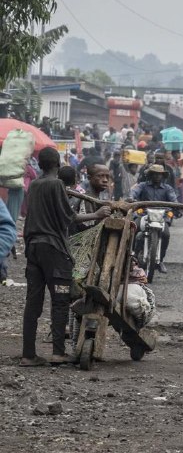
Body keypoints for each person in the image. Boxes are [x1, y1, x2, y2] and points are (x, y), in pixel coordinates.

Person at [21, 147, 111, 366]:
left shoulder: (34, 185)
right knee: (60, 301)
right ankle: (58, 352)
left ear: (40, 165)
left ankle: (28, 355)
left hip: (33, 248)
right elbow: (68, 217)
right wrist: (97, 214)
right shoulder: (57, 185)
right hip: (53, 249)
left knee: (32, 303)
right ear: (58, 164)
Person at [129, 165, 181, 273]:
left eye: (159, 174)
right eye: (155, 174)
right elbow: (134, 192)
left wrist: (177, 207)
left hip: (161, 217)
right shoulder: (142, 186)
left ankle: (160, 260)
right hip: (144, 215)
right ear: (150, 175)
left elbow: (173, 200)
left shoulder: (167, 188)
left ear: (162, 176)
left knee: (166, 234)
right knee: (135, 228)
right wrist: (131, 198)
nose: (157, 176)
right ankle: (131, 254)